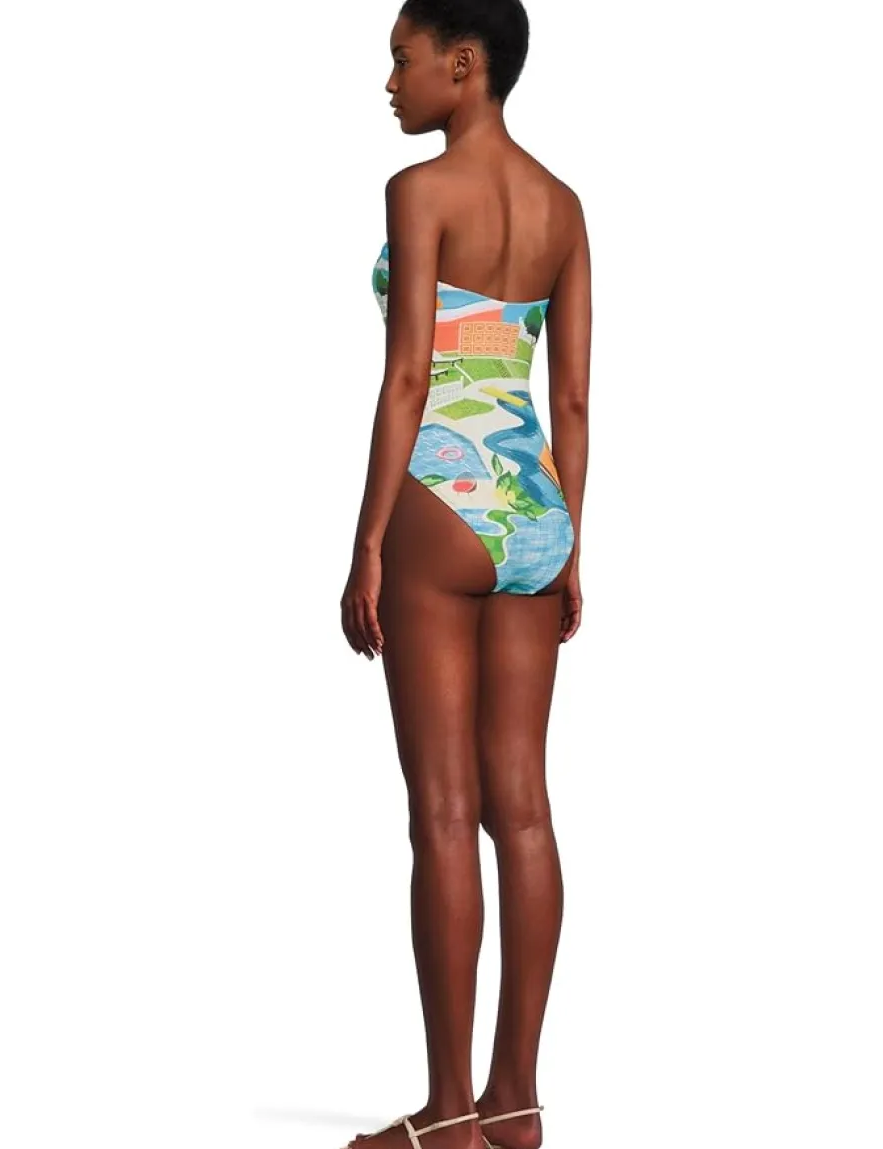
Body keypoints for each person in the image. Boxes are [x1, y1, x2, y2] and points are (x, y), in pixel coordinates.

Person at [339, 2, 591, 1147]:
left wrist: (367, 541)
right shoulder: (561, 206)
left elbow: (408, 380)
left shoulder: (420, 192)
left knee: (443, 812)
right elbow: (571, 398)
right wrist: (570, 542)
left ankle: (446, 1118)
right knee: (521, 810)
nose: (389, 83)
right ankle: (515, 1104)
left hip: (441, 499)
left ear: (463, 63)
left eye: (401, 61)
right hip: (534, 508)